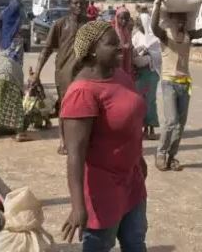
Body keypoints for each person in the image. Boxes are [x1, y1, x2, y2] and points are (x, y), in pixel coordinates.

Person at [60, 21, 147, 251]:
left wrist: (139, 159)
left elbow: (131, 124)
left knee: (135, 243)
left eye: (119, 42)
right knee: (100, 245)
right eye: (112, 44)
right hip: (102, 191)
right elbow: (75, 156)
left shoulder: (120, 76)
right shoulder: (82, 93)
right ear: (92, 50)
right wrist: (78, 206)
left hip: (132, 182)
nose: (120, 47)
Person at [151, 0, 202, 172]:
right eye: (178, 19)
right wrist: (159, 3)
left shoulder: (188, 36)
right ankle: (160, 154)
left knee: (181, 124)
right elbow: (153, 26)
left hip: (185, 83)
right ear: (170, 20)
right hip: (168, 82)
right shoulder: (164, 35)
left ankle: (172, 156)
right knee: (171, 121)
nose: (181, 23)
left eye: (184, 20)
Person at [30, 0, 88, 155]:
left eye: (82, 3)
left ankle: (82, 140)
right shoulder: (60, 25)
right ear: (69, 6)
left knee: (85, 107)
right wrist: (37, 74)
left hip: (85, 72)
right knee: (65, 107)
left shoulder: (90, 25)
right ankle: (63, 140)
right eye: (76, 3)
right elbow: (46, 49)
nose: (79, 6)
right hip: (64, 73)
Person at [133, 12, 162, 140]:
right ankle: (139, 127)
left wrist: (148, 53)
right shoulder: (136, 37)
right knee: (138, 101)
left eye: (140, 22)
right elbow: (132, 53)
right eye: (137, 22)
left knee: (150, 101)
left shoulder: (154, 38)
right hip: (139, 73)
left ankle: (150, 128)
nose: (138, 24)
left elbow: (159, 56)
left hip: (151, 73)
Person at [115, 7, 134, 78]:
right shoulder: (112, 31)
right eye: (121, 18)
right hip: (117, 60)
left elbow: (129, 43)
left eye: (126, 19)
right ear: (117, 18)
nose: (124, 21)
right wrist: (123, 46)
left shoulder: (127, 30)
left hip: (127, 58)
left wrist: (130, 46)